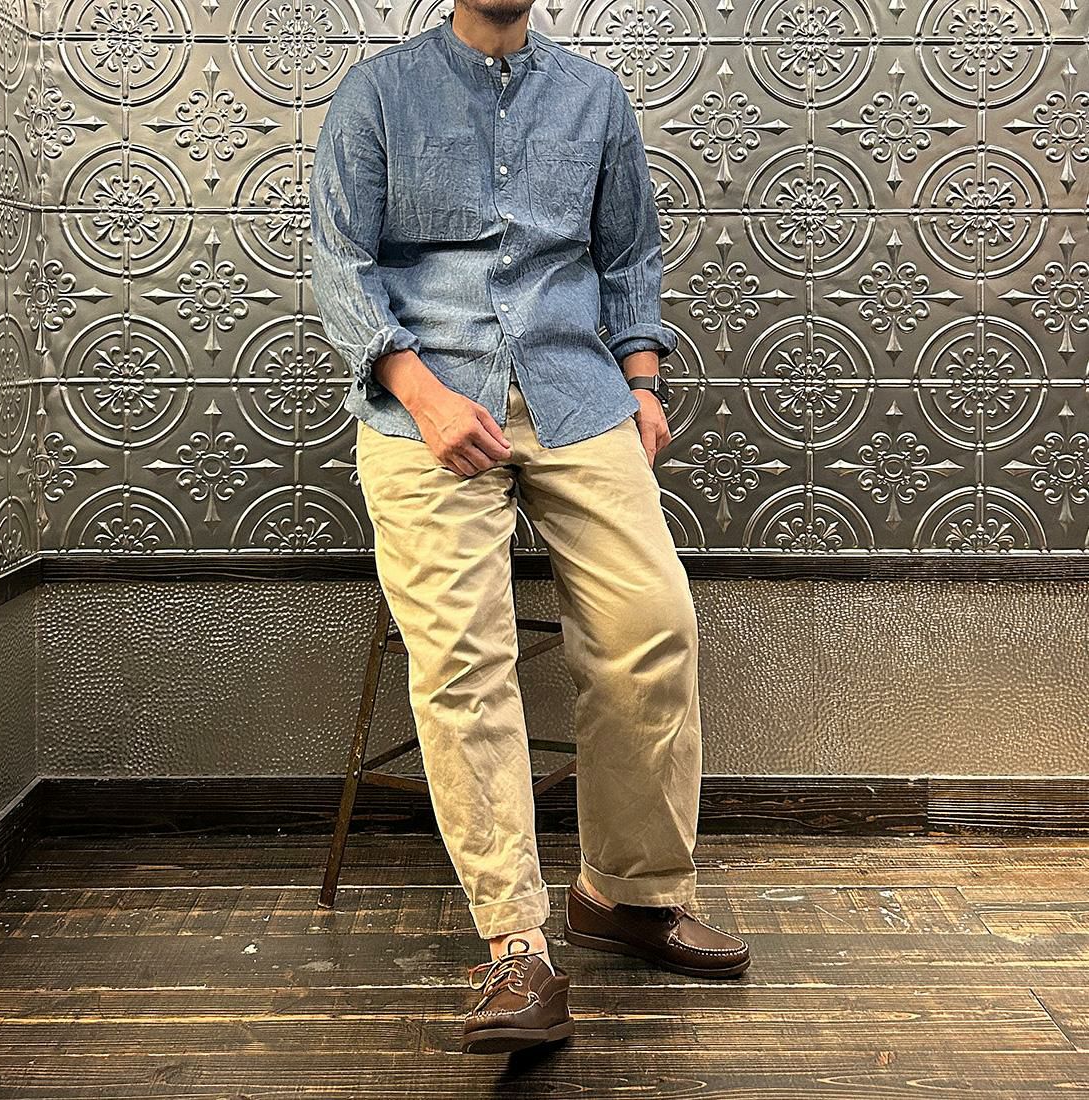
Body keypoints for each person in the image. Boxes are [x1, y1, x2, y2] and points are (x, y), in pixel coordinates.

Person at [309, 0, 751, 1055]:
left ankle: (627, 895)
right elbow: (339, 263)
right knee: (464, 655)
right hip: (424, 404)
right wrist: (422, 395)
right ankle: (517, 945)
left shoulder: (595, 97)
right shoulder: (376, 94)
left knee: (652, 626)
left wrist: (641, 379)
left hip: (575, 392)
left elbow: (628, 252)